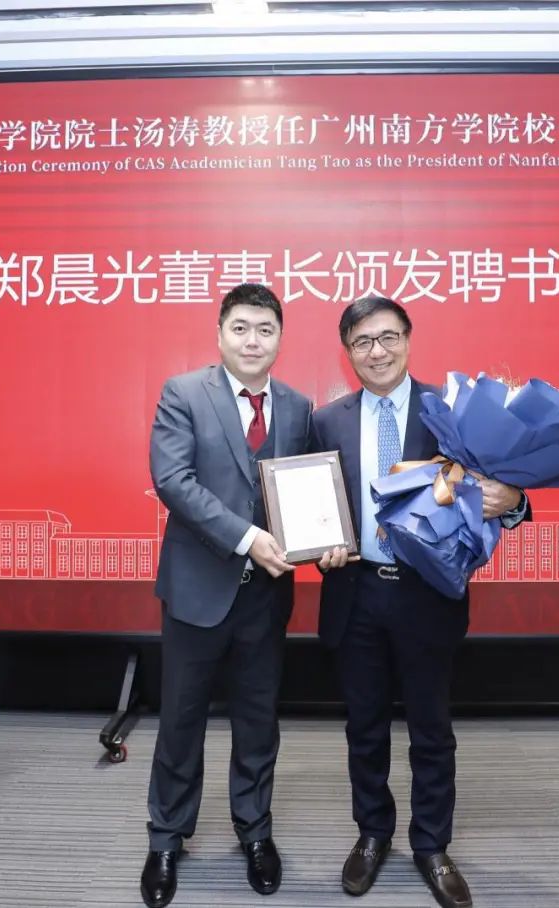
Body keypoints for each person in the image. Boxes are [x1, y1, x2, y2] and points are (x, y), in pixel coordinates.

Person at [312, 294, 530, 908]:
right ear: (348, 352)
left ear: (408, 340)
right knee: (364, 727)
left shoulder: (450, 413)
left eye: (387, 337)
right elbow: (313, 501)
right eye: (362, 342)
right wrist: (317, 544)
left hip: (426, 595)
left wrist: (512, 500)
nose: (376, 351)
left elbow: (505, 492)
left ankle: (432, 844)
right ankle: (372, 834)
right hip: (354, 592)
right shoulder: (326, 421)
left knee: (431, 729)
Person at [140, 282, 315, 908]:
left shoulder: (298, 406)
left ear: (280, 339)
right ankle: (166, 838)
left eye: (265, 330)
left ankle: (255, 830)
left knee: (258, 720)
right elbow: (173, 480)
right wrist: (247, 538)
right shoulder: (184, 393)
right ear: (220, 335)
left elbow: (303, 491)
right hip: (198, 590)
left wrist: (322, 537)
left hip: (266, 597)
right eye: (240, 328)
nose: (252, 341)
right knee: (181, 719)